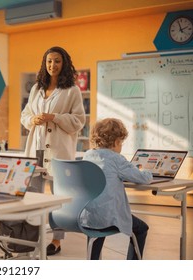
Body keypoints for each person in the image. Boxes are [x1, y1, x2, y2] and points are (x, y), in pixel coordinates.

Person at [20, 46, 86, 255]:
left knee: (58, 197)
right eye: (49, 61)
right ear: (44, 63)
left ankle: (56, 240)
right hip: (36, 149)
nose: (52, 65)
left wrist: (54, 117)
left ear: (64, 63)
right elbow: (25, 115)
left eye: (57, 61)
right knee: (32, 195)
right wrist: (33, 119)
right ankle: (32, 239)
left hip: (58, 152)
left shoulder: (72, 90)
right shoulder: (36, 89)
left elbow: (78, 121)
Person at [82, 118, 152, 259]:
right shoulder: (117, 159)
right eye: (121, 142)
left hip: (87, 217)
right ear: (116, 142)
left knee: (96, 228)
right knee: (142, 228)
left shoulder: (88, 155)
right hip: (108, 218)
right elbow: (144, 178)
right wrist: (147, 170)